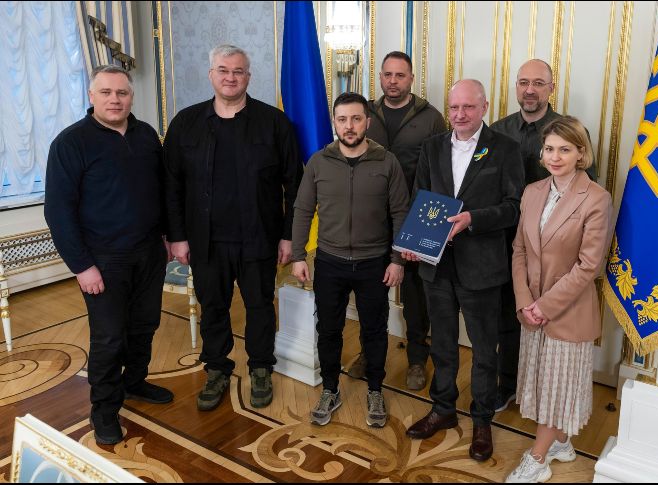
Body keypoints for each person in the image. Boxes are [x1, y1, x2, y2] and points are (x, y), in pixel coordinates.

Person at [164, 45, 302, 412]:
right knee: (213, 308)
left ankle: (260, 369)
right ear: (211, 74)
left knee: (259, 307)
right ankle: (217, 369)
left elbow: (296, 184)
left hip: (260, 238)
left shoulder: (275, 123)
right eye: (223, 70)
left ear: (248, 77)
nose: (230, 77)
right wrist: (177, 236)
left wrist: (289, 235)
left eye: (238, 71)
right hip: (204, 241)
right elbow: (171, 186)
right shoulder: (185, 123)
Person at [45, 65, 173, 445]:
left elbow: (161, 191)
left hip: (150, 252)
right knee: (108, 338)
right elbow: (59, 211)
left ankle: (134, 383)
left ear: (131, 96)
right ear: (91, 96)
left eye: (122, 93)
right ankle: (103, 410)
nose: (115, 99)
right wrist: (82, 266)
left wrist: (167, 236)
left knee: (144, 326)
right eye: (106, 92)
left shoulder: (147, 134)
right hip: (103, 260)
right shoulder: (70, 143)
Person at [403, 79, 525, 462]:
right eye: (454, 107)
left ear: (484, 107)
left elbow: (514, 207)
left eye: (468, 108)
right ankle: (442, 409)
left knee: (485, 349)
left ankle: (483, 418)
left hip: (482, 268)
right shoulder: (433, 147)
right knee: (441, 344)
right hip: (435, 267)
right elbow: (419, 198)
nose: (459, 115)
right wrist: (413, 240)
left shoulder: (506, 149)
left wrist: (473, 218)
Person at [291, 92, 410, 428]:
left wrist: (397, 259)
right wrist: (298, 254)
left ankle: (375, 389)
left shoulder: (387, 162)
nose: (349, 126)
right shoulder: (318, 162)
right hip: (329, 262)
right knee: (328, 330)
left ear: (367, 122)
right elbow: (302, 210)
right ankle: (330, 389)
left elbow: (401, 212)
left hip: (375, 263)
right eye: (342, 119)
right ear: (334, 122)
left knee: (374, 330)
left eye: (356, 118)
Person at [505, 116, 612, 482]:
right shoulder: (532, 191)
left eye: (565, 149)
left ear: (581, 154)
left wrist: (545, 306)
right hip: (530, 309)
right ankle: (562, 443)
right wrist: (524, 301)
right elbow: (518, 249)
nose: (555, 156)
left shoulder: (596, 198)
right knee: (540, 384)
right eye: (549, 149)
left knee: (553, 391)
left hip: (566, 312)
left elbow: (589, 266)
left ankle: (537, 459)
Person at [489, 58, 597, 413]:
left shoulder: (567, 131)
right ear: (516, 87)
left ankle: (544, 405)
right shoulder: (497, 130)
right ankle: (509, 387)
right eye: (523, 82)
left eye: (538, 83)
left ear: (551, 88)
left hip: (555, 256)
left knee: (545, 328)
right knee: (507, 319)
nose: (530, 89)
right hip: (506, 244)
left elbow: (584, 196)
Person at [346, 51, 446, 390]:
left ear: (411, 79)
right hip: (373, 217)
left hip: (416, 218)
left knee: (417, 297)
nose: (392, 81)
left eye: (400, 75)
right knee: (370, 293)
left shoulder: (431, 118)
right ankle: (367, 353)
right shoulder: (365, 114)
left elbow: (440, 173)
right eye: (387, 75)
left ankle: (418, 359)